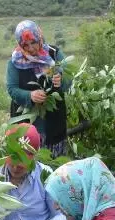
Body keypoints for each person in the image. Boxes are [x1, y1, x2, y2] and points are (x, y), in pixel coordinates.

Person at [7, 20, 70, 158]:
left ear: (40, 38)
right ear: (20, 44)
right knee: (28, 162)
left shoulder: (54, 54)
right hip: (26, 124)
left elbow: (69, 81)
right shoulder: (15, 62)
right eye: (25, 45)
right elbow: (12, 89)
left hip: (54, 121)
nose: (31, 48)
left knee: (55, 163)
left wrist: (61, 80)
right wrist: (29, 96)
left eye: (33, 42)